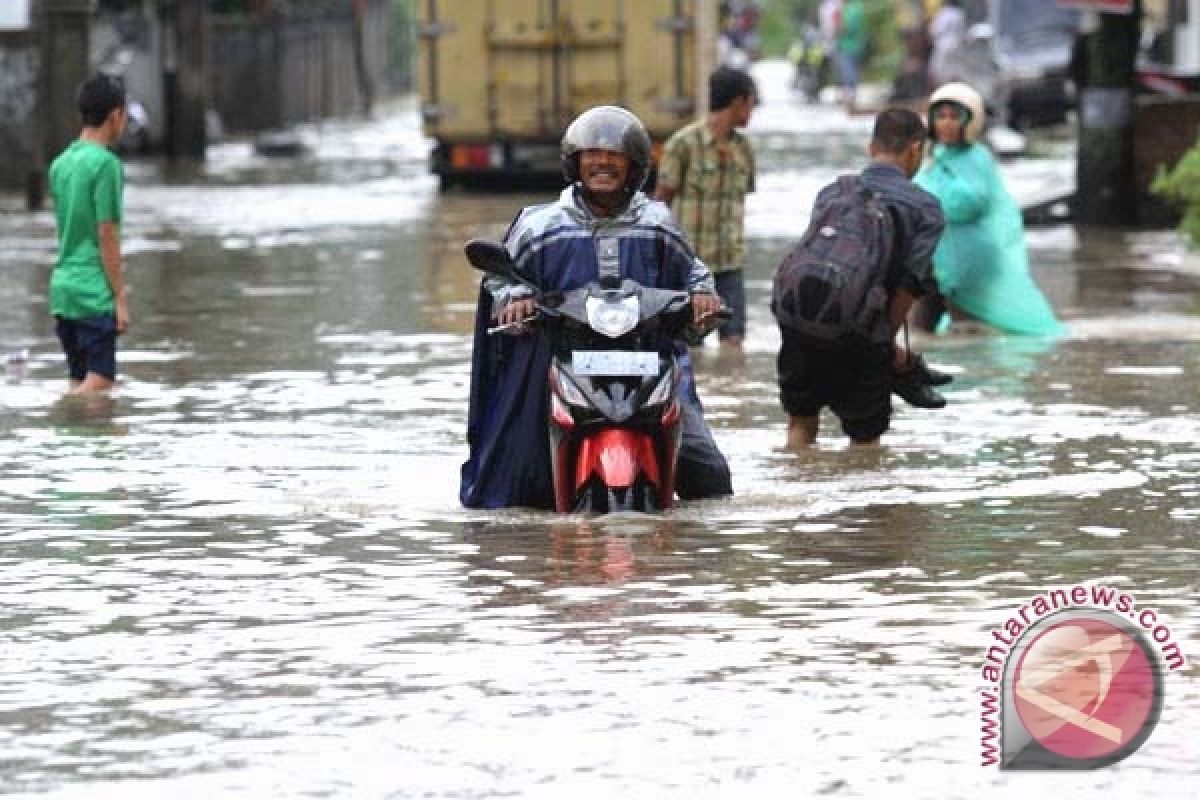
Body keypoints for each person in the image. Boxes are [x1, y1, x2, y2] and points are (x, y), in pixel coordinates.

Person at [460, 106, 733, 509]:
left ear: (634, 165)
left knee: (709, 476)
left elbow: (692, 273)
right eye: (591, 154)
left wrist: (703, 298)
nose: (602, 162)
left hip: (649, 362)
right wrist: (513, 299)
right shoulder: (540, 227)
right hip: (561, 366)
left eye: (614, 155)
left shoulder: (659, 225)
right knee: (508, 484)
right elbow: (504, 277)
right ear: (575, 162)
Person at [775, 108, 948, 448]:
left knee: (800, 424)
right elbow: (909, 285)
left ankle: (795, 493)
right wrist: (887, 342)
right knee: (865, 444)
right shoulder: (925, 208)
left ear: (871, 148)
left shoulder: (832, 192)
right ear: (916, 150)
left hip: (800, 323)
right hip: (862, 334)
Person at [912, 82, 1064, 336]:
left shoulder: (977, 158)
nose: (947, 123)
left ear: (969, 121)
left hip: (969, 263)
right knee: (920, 330)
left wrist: (933, 203)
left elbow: (969, 204)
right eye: (941, 116)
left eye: (954, 116)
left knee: (967, 330)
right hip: (934, 262)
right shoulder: (934, 159)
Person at [655, 67, 757, 351]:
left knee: (733, 346)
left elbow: (742, 199)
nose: (752, 111)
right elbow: (660, 204)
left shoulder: (744, 149)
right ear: (738, 102)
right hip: (689, 265)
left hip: (730, 264)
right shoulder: (683, 145)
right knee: (686, 347)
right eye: (751, 103)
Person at [48, 73, 130, 395]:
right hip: (93, 293)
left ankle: (71, 438)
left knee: (79, 382)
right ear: (115, 116)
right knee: (101, 384)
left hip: (64, 291)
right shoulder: (106, 165)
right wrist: (120, 297)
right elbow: (106, 234)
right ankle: (60, 414)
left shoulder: (60, 164)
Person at [834, 0, 866, 111]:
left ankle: (850, 98)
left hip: (849, 46)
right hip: (848, 45)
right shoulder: (850, 7)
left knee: (849, 71)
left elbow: (845, 28)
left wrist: (837, 21)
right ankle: (848, 96)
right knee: (848, 70)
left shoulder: (853, 8)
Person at [927, 0, 966, 89]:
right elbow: (962, 33)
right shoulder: (959, 13)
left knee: (936, 73)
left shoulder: (943, 13)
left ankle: (940, 94)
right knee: (954, 73)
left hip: (943, 45)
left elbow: (934, 30)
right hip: (956, 46)